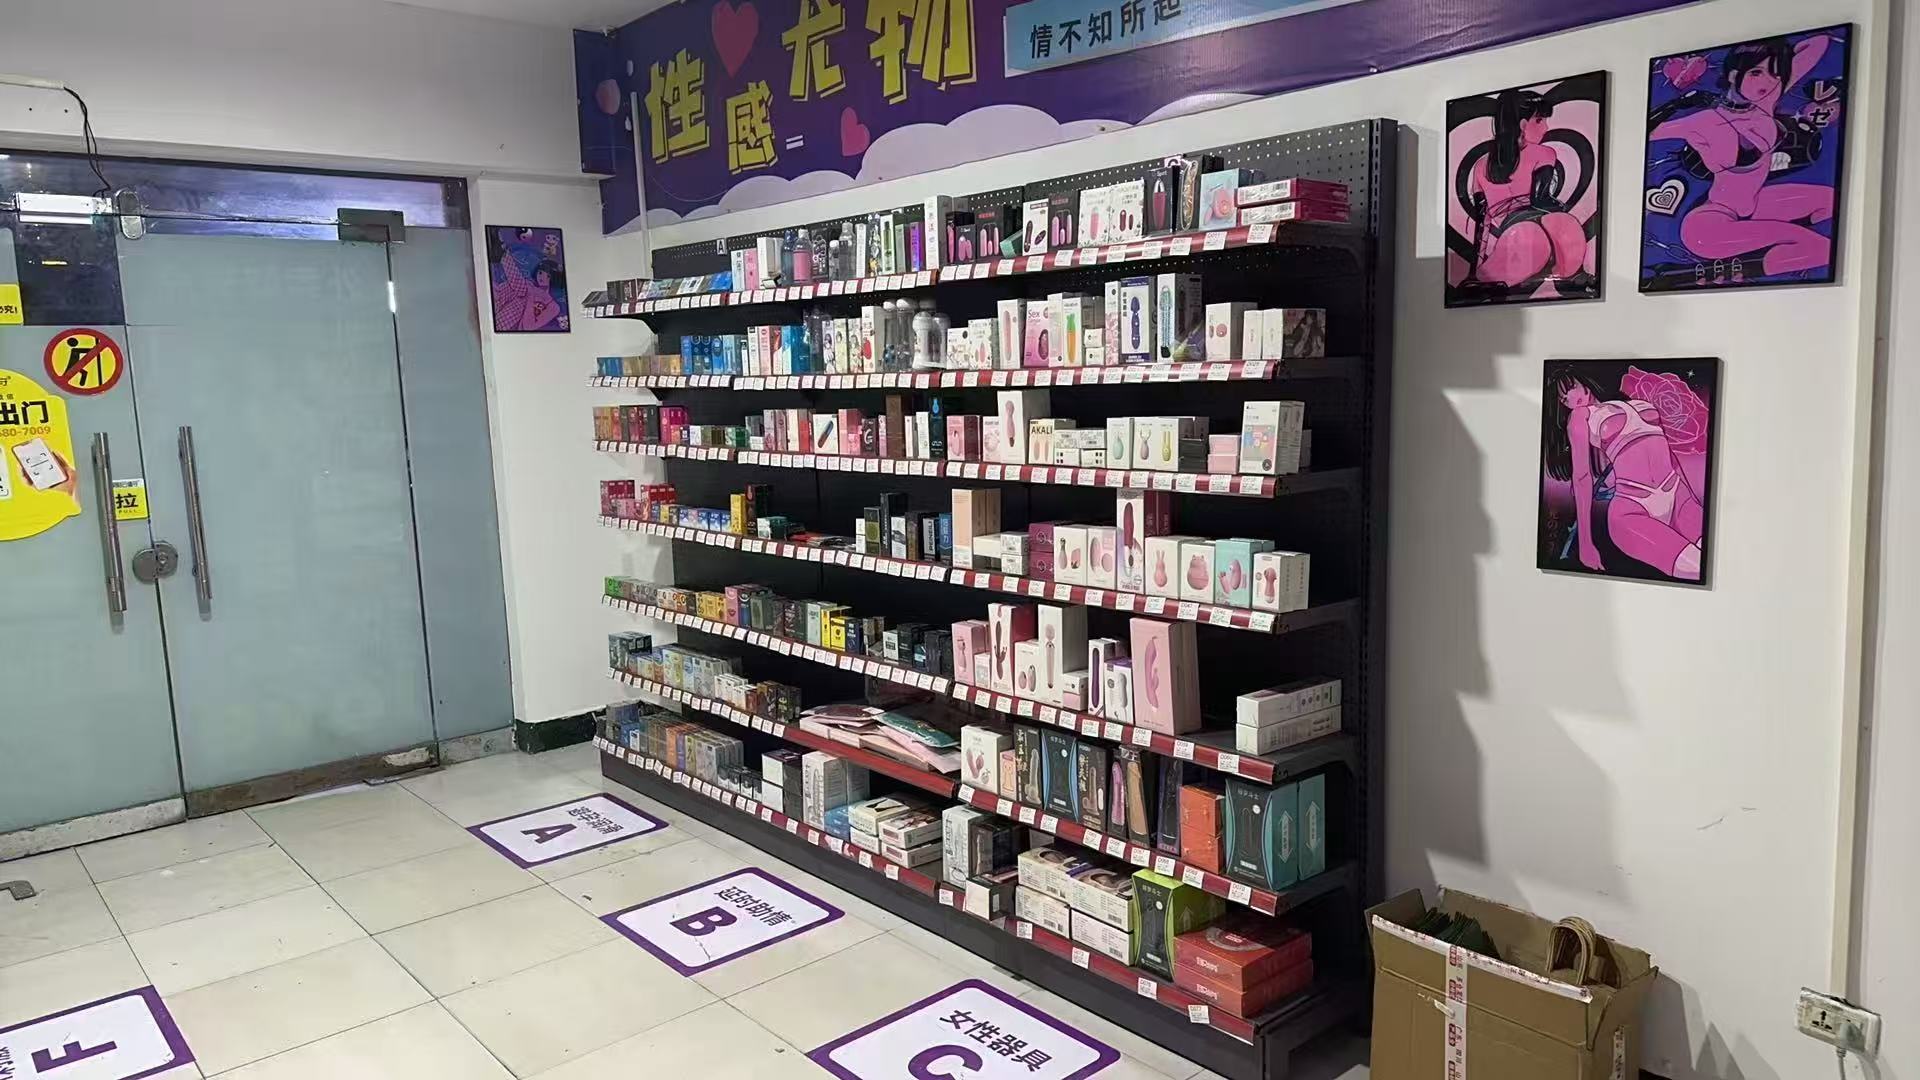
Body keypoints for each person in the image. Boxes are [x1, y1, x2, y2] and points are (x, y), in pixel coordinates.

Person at [1648, 33, 1837, 277]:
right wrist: (1677, 104)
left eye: (1775, 73)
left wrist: (1777, 52)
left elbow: (1818, 43)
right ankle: (1730, 269)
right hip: (1710, 223)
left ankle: (1766, 240)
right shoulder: (1705, 122)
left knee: (1832, 200)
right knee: (1823, 248)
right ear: (1733, 75)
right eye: (1756, 72)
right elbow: (1644, 132)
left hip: (1757, 206)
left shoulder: (1766, 100)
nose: (1768, 81)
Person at [1545, 370, 1705, 581]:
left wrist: (1689, 494)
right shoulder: (1580, 417)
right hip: (1631, 510)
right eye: (1564, 399)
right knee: (1696, 567)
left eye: (1571, 388)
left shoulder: (1634, 403)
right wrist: (1585, 543)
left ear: (1583, 381)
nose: (1571, 399)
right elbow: (1582, 478)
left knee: (1718, 559)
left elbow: (1669, 455)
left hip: (1678, 496)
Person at [1466, 89, 1589, 289]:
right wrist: (1562, 208)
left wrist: (1473, 270)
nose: (1546, 127)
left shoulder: (1480, 166)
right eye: (1540, 120)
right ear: (1523, 125)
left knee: (1490, 277)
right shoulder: (1544, 153)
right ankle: (1570, 275)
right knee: (1564, 224)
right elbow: (1540, 199)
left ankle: (1483, 280)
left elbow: (1483, 225)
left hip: (1515, 233)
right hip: (1544, 228)